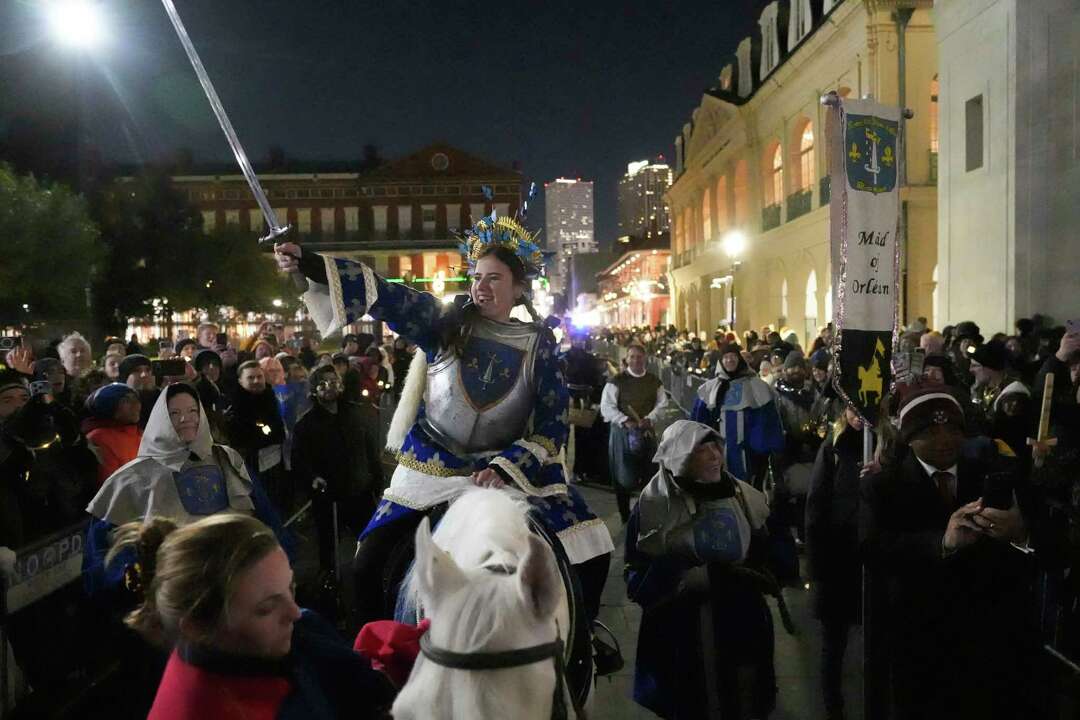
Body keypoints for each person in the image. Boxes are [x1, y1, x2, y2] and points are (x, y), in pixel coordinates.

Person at [274, 213, 614, 633]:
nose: (481, 287)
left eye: (494, 278)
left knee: (593, 546)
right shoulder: (443, 324)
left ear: (518, 288)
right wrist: (308, 262)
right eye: (477, 276)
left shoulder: (539, 345)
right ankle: (374, 660)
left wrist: (506, 466)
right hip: (428, 471)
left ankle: (586, 641)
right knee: (364, 569)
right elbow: (386, 295)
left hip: (501, 474)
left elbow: (552, 426)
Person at [109, 513, 394, 719]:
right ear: (197, 627)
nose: (294, 612)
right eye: (265, 609)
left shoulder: (291, 633)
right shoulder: (200, 709)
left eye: (290, 587)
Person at [859, 386, 1032, 719]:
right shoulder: (882, 487)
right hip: (919, 640)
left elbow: (1037, 537)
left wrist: (1019, 532)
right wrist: (941, 542)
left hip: (990, 638)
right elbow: (872, 548)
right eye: (930, 431)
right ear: (909, 438)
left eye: (953, 428)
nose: (945, 439)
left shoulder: (992, 474)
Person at [625, 420, 775, 719]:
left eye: (715, 448)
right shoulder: (654, 505)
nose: (715, 456)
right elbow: (636, 577)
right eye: (702, 450)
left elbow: (768, 557)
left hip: (741, 625)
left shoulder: (742, 498)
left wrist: (758, 572)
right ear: (679, 458)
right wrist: (680, 577)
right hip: (681, 636)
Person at [83, 383, 286, 604]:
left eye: (192, 411)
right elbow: (108, 554)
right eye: (175, 413)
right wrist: (139, 580)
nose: (185, 419)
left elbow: (267, 519)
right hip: (177, 598)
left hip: (239, 588)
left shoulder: (228, 460)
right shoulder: (130, 478)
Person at [805, 404, 873, 720]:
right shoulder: (833, 448)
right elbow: (816, 506)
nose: (859, 414)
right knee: (834, 641)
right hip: (838, 557)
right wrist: (817, 565)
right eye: (852, 408)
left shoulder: (888, 446)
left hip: (873, 558)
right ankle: (833, 705)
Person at [291, 365, 384, 577]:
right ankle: (330, 581)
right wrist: (313, 478)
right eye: (322, 383)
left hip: (360, 490)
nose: (329, 387)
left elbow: (370, 449)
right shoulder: (306, 424)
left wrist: (376, 478)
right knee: (329, 543)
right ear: (314, 389)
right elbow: (300, 460)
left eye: (333, 381)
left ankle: (370, 575)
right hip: (329, 496)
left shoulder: (355, 414)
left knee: (370, 539)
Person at [691, 342, 784, 491]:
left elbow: (766, 419)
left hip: (747, 451)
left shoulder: (756, 386)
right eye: (726, 357)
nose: (729, 360)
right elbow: (699, 420)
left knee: (747, 487)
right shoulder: (710, 388)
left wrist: (763, 446)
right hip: (718, 449)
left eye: (733, 356)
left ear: (739, 359)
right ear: (721, 361)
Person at [601, 343, 669, 523]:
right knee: (623, 475)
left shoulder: (654, 381)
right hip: (622, 435)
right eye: (632, 357)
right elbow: (606, 407)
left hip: (646, 433)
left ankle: (646, 514)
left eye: (639, 357)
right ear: (627, 359)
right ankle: (625, 515)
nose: (636, 360)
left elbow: (662, 404)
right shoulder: (617, 381)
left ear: (645, 358)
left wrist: (650, 419)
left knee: (649, 473)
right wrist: (625, 421)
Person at [224, 361, 289, 515]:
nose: (256, 381)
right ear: (241, 381)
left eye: (259, 377)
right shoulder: (234, 406)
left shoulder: (271, 398)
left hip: (274, 465)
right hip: (248, 466)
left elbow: (278, 431)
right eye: (251, 378)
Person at [82, 382, 143, 487]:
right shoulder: (99, 438)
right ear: (109, 406)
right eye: (126, 401)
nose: (136, 405)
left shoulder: (140, 433)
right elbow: (110, 484)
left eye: (136, 400)